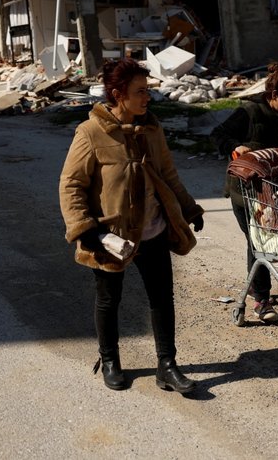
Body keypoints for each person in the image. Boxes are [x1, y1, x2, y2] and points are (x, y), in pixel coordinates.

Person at [59, 58, 204, 393]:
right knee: (110, 299)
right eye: (140, 92)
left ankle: (167, 366)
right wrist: (85, 228)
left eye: (148, 91)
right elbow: (71, 184)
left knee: (161, 298)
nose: (147, 98)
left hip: (152, 230)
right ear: (118, 94)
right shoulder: (91, 132)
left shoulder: (151, 129)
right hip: (111, 236)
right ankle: (110, 360)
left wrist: (189, 208)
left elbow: (168, 175)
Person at [211, 62, 278, 323]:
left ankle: (255, 286)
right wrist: (235, 146)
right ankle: (261, 300)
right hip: (244, 190)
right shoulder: (249, 112)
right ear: (274, 96)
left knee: (267, 240)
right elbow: (217, 134)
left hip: (273, 191)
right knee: (257, 241)